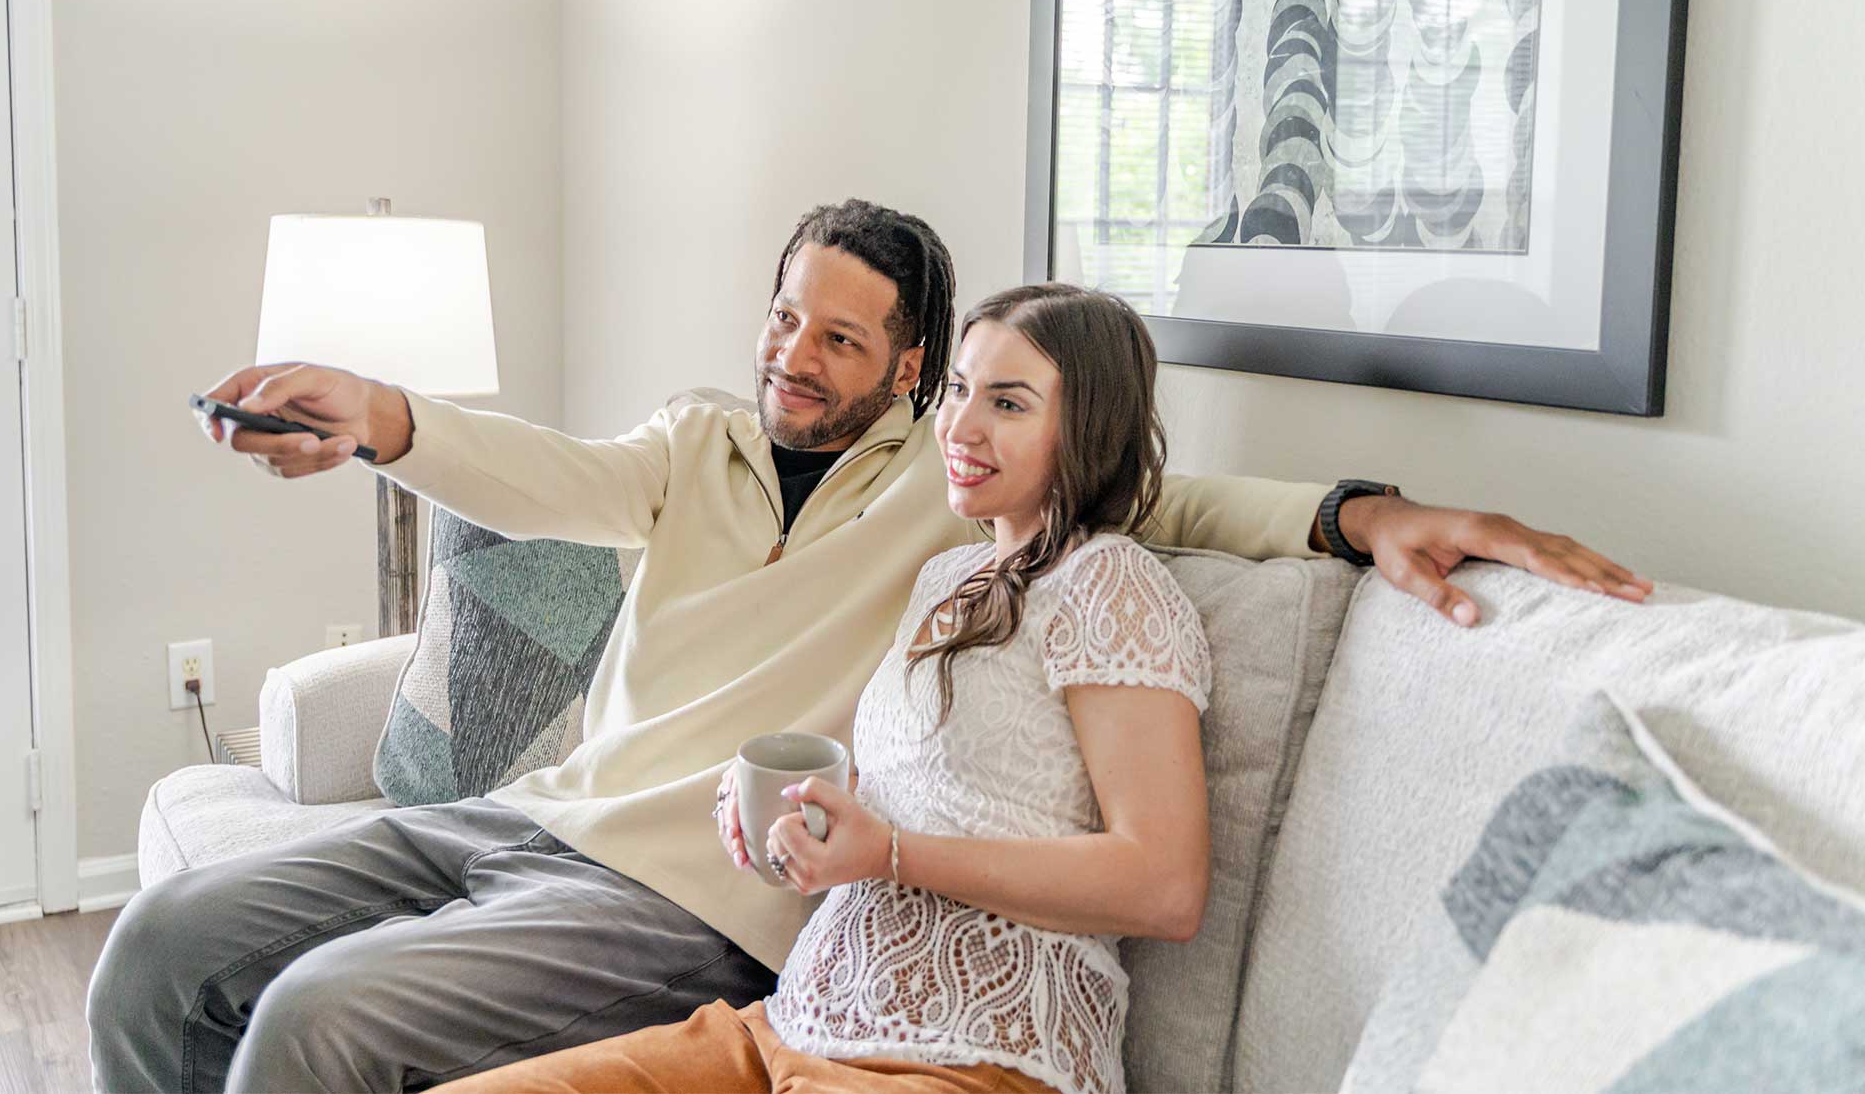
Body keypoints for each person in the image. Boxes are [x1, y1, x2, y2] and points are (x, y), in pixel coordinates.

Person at [88, 200, 1649, 1093]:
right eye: (785, 319)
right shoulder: (690, 445)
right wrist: (377, 417)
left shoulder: (950, 485)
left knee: (314, 1020)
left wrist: (1364, 510)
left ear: (909, 361)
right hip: (530, 818)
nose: (796, 356)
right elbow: (534, 469)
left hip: (689, 901)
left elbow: (1175, 494)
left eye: (842, 337)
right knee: (159, 949)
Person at [427, 282, 1222, 1094]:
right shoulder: (947, 575)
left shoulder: (1110, 583)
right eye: (957, 390)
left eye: (1009, 404)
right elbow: (921, 794)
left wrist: (893, 854)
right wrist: (798, 817)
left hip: (976, 1054)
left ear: (1087, 427)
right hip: (790, 1021)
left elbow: (1164, 885)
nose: (961, 425)